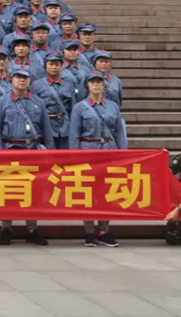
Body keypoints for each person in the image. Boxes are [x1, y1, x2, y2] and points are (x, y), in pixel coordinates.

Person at [0, 68, 52, 246]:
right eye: (18, 77)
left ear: (30, 80)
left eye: (25, 78)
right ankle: (5, 228)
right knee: (8, 191)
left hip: (32, 151)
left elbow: (46, 130)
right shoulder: (1, 102)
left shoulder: (38, 103)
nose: (22, 81)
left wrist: (50, 154)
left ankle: (31, 228)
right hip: (11, 150)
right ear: (11, 79)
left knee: (33, 191)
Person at [69, 72, 126, 247]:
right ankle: (89, 231)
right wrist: (75, 157)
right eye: (92, 82)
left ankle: (104, 230)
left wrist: (123, 154)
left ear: (103, 85)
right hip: (88, 151)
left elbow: (119, 132)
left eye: (98, 82)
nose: (95, 85)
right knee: (88, 192)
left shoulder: (113, 107)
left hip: (109, 150)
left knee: (107, 192)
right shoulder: (79, 107)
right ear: (87, 85)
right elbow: (74, 134)